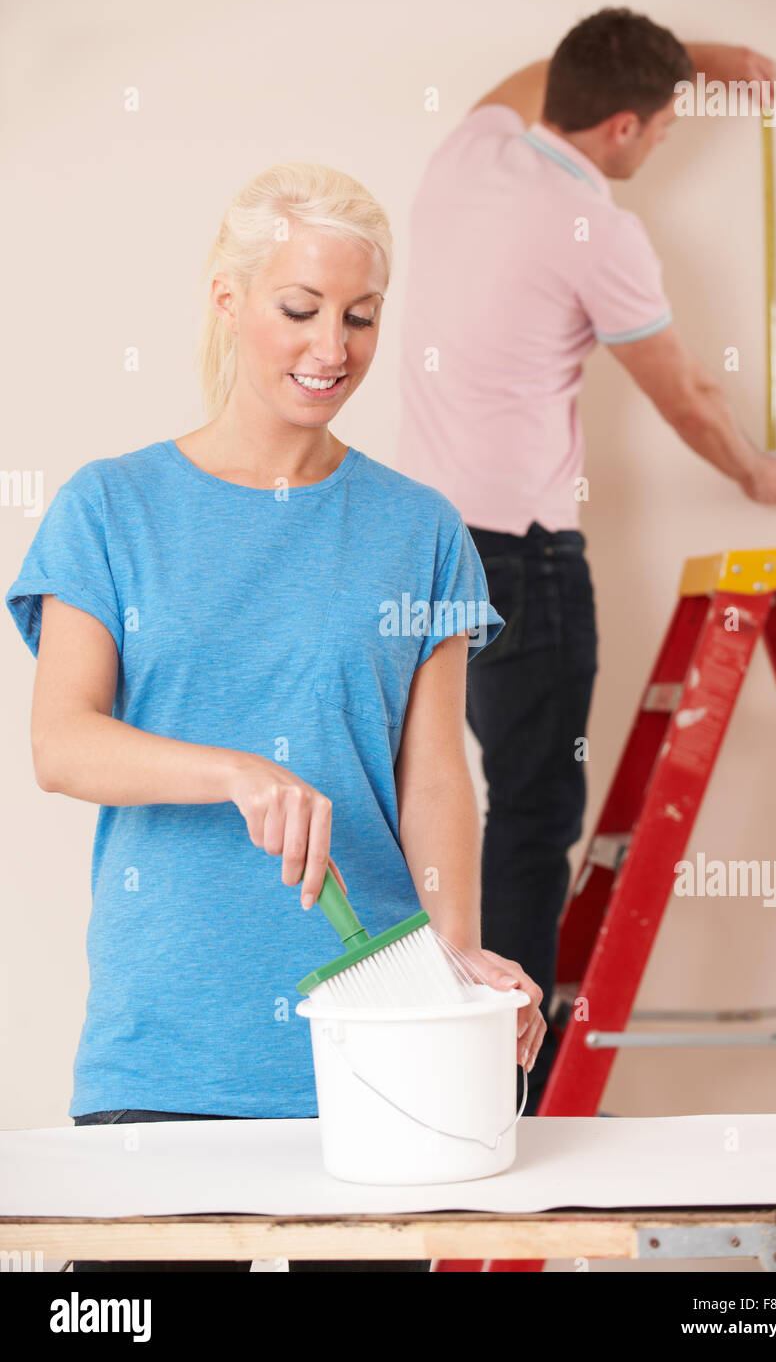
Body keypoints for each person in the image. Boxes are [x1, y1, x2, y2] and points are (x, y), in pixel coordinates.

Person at [5, 159, 545, 1272]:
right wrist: (238, 772)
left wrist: (449, 964)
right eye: (298, 310)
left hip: (373, 1057)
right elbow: (63, 742)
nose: (330, 347)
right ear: (227, 299)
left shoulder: (419, 527)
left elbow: (435, 771)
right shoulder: (111, 507)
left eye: (358, 317)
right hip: (166, 1053)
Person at [396, 8, 776, 1115]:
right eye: (666, 123)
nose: (667, 140)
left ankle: (443, 1060)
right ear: (619, 126)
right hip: (522, 564)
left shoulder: (471, 150)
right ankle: (511, 1083)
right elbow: (684, 391)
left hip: (419, 553)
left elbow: (538, 68)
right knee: (528, 817)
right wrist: (754, 473)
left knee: (434, 799)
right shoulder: (598, 228)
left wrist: (695, 62)